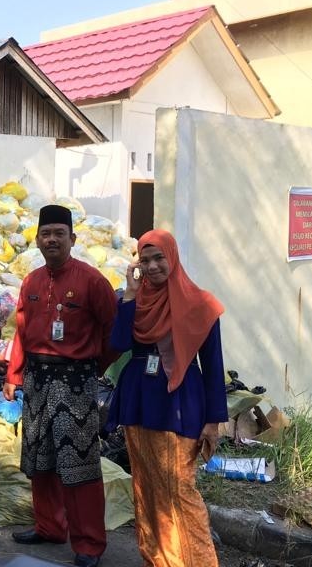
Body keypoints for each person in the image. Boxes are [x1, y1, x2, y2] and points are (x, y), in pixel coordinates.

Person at [3, 205, 117, 567]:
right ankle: (49, 526)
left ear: (72, 238)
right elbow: (21, 332)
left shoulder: (92, 281)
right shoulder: (31, 282)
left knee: (79, 463)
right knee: (40, 456)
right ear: (37, 239)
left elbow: (113, 332)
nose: (52, 239)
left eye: (59, 233)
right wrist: (13, 375)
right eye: (46, 233)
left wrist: (92, 367)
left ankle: (89, 544)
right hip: (37, 380)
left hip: (75, 383)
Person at [106, 228, 227, 567]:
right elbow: (119, 344)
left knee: (179, 488)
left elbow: (213, 366)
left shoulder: (199, 304)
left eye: (159, 257)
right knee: (146, 486)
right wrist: (130, 295)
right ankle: (158, 559)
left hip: (180, 402)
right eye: (145, 260)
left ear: (172, 257)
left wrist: (213, 421)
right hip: (138, 400)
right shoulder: (135, 300)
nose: (153, 266)